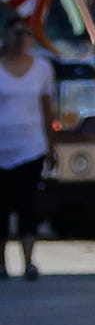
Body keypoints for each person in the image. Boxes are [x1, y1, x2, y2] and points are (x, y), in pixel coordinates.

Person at [0, 15, 51, 280]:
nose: (21, 39)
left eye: (26, 34)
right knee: (1, 206)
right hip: (2, 146)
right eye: (16, 33)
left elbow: (46, 109)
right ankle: (1, 263)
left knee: (27, 204)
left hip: (30, 146)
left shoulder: (42, 69)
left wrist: (51, 146)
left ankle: (29, 261)